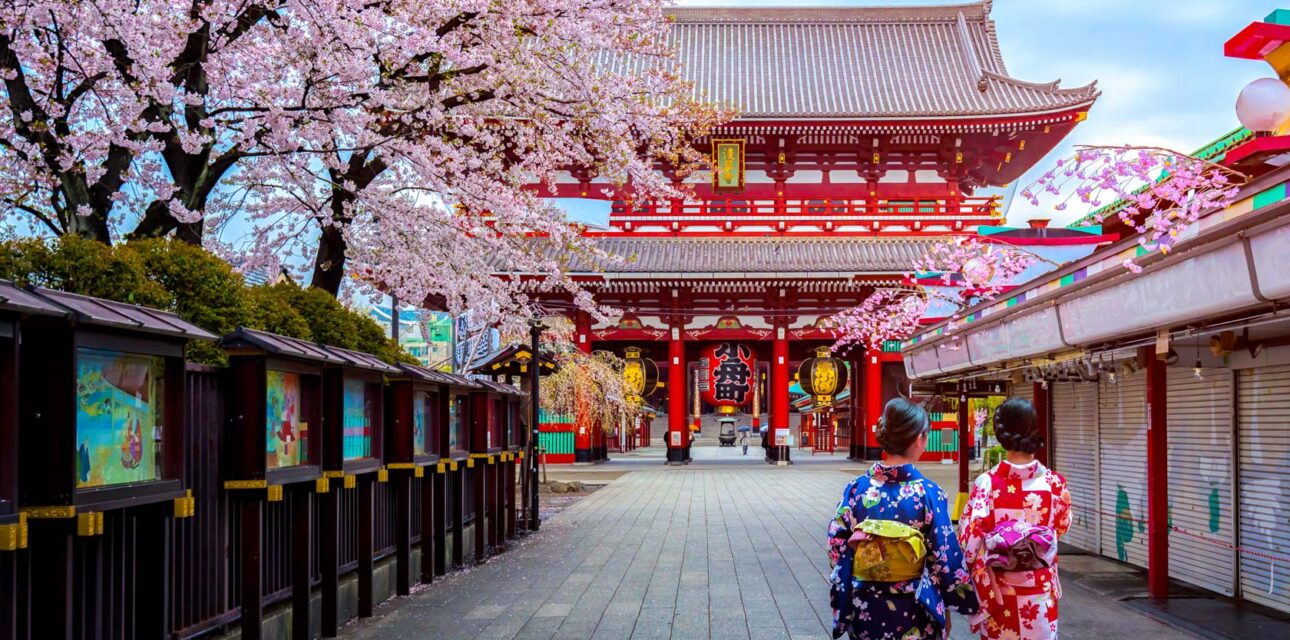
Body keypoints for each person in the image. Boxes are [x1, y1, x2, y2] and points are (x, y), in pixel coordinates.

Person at [826, 398, 978, 639]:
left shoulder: (856, 489)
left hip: (866, 602)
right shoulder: (929, 493)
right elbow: (944, 556)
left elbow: (836, 547)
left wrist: (866, 568)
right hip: (915, 605)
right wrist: (955, 603)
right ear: (919, 439)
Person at [958, 398, 1072, 640]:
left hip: (1000, 594)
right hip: (1040, 593)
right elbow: (1062, 526)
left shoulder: (986, 484)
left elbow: (969, 546)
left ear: (1001, 434)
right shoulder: (1054, 483)